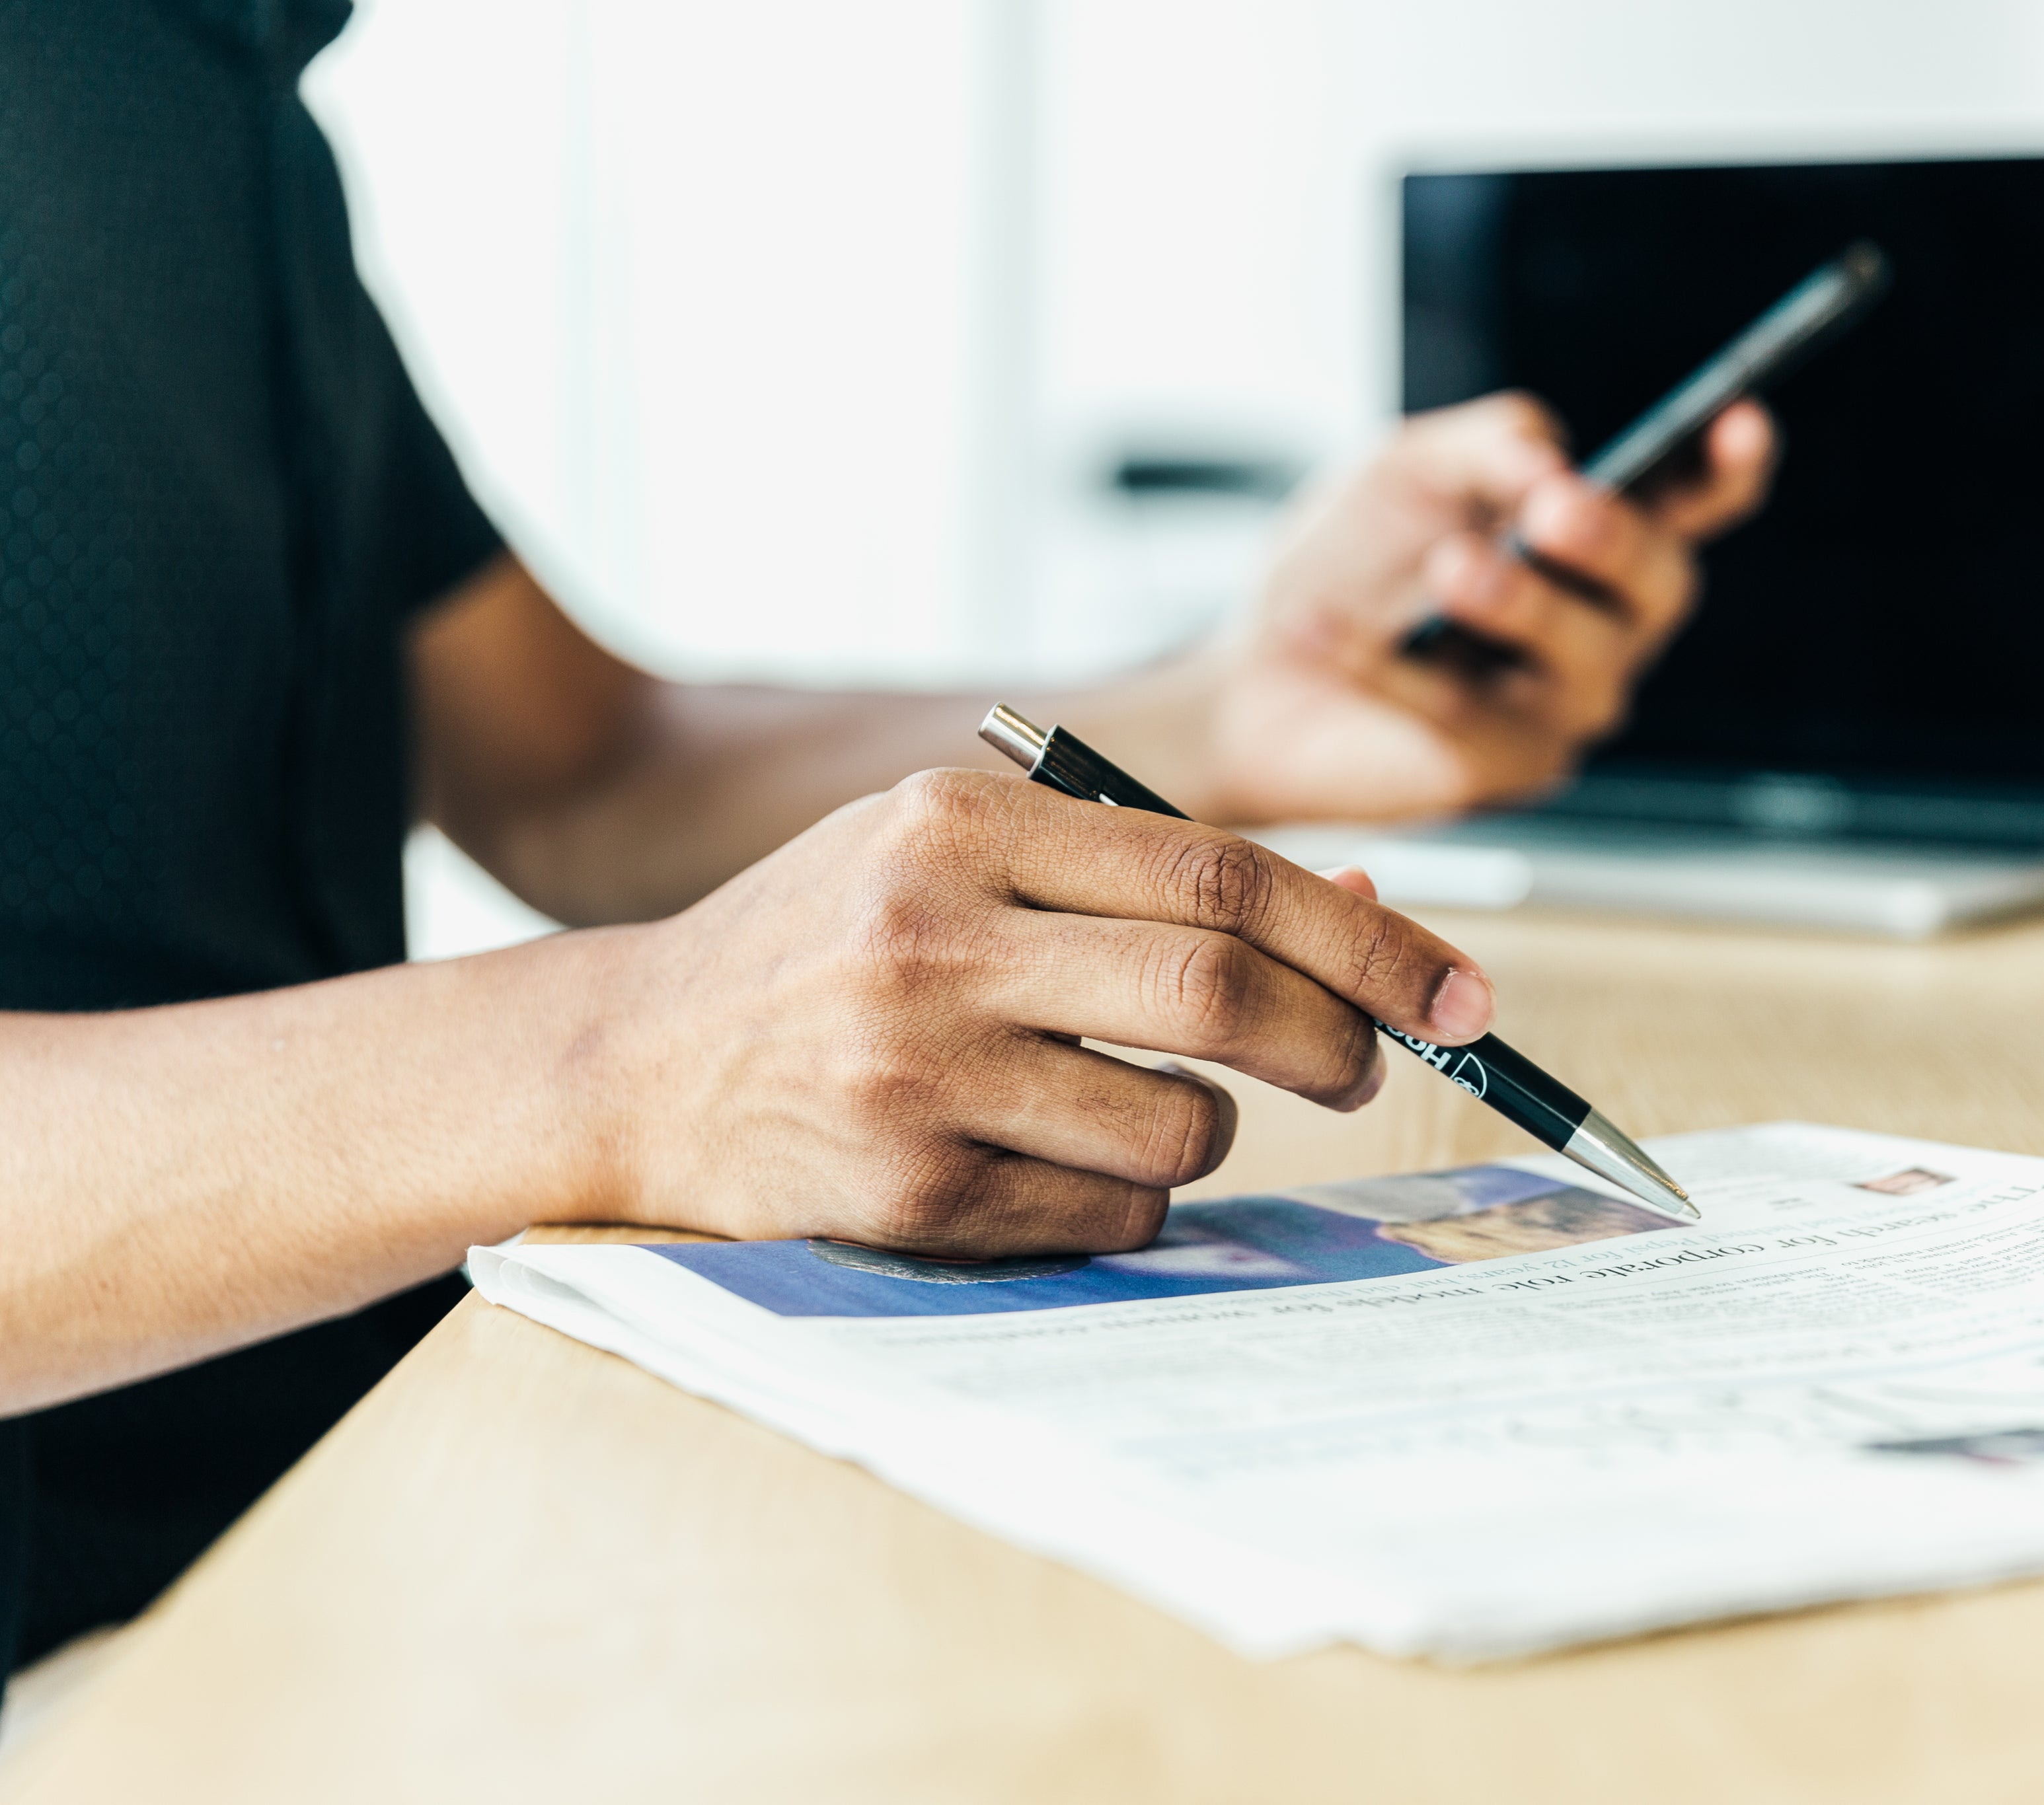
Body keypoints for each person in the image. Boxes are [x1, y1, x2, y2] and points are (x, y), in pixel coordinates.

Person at [0, 0, 1776, 1682]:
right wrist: (632, 1052)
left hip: (340, 1520)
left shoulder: (218, 90)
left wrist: (1229, 704)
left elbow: (580, 768)